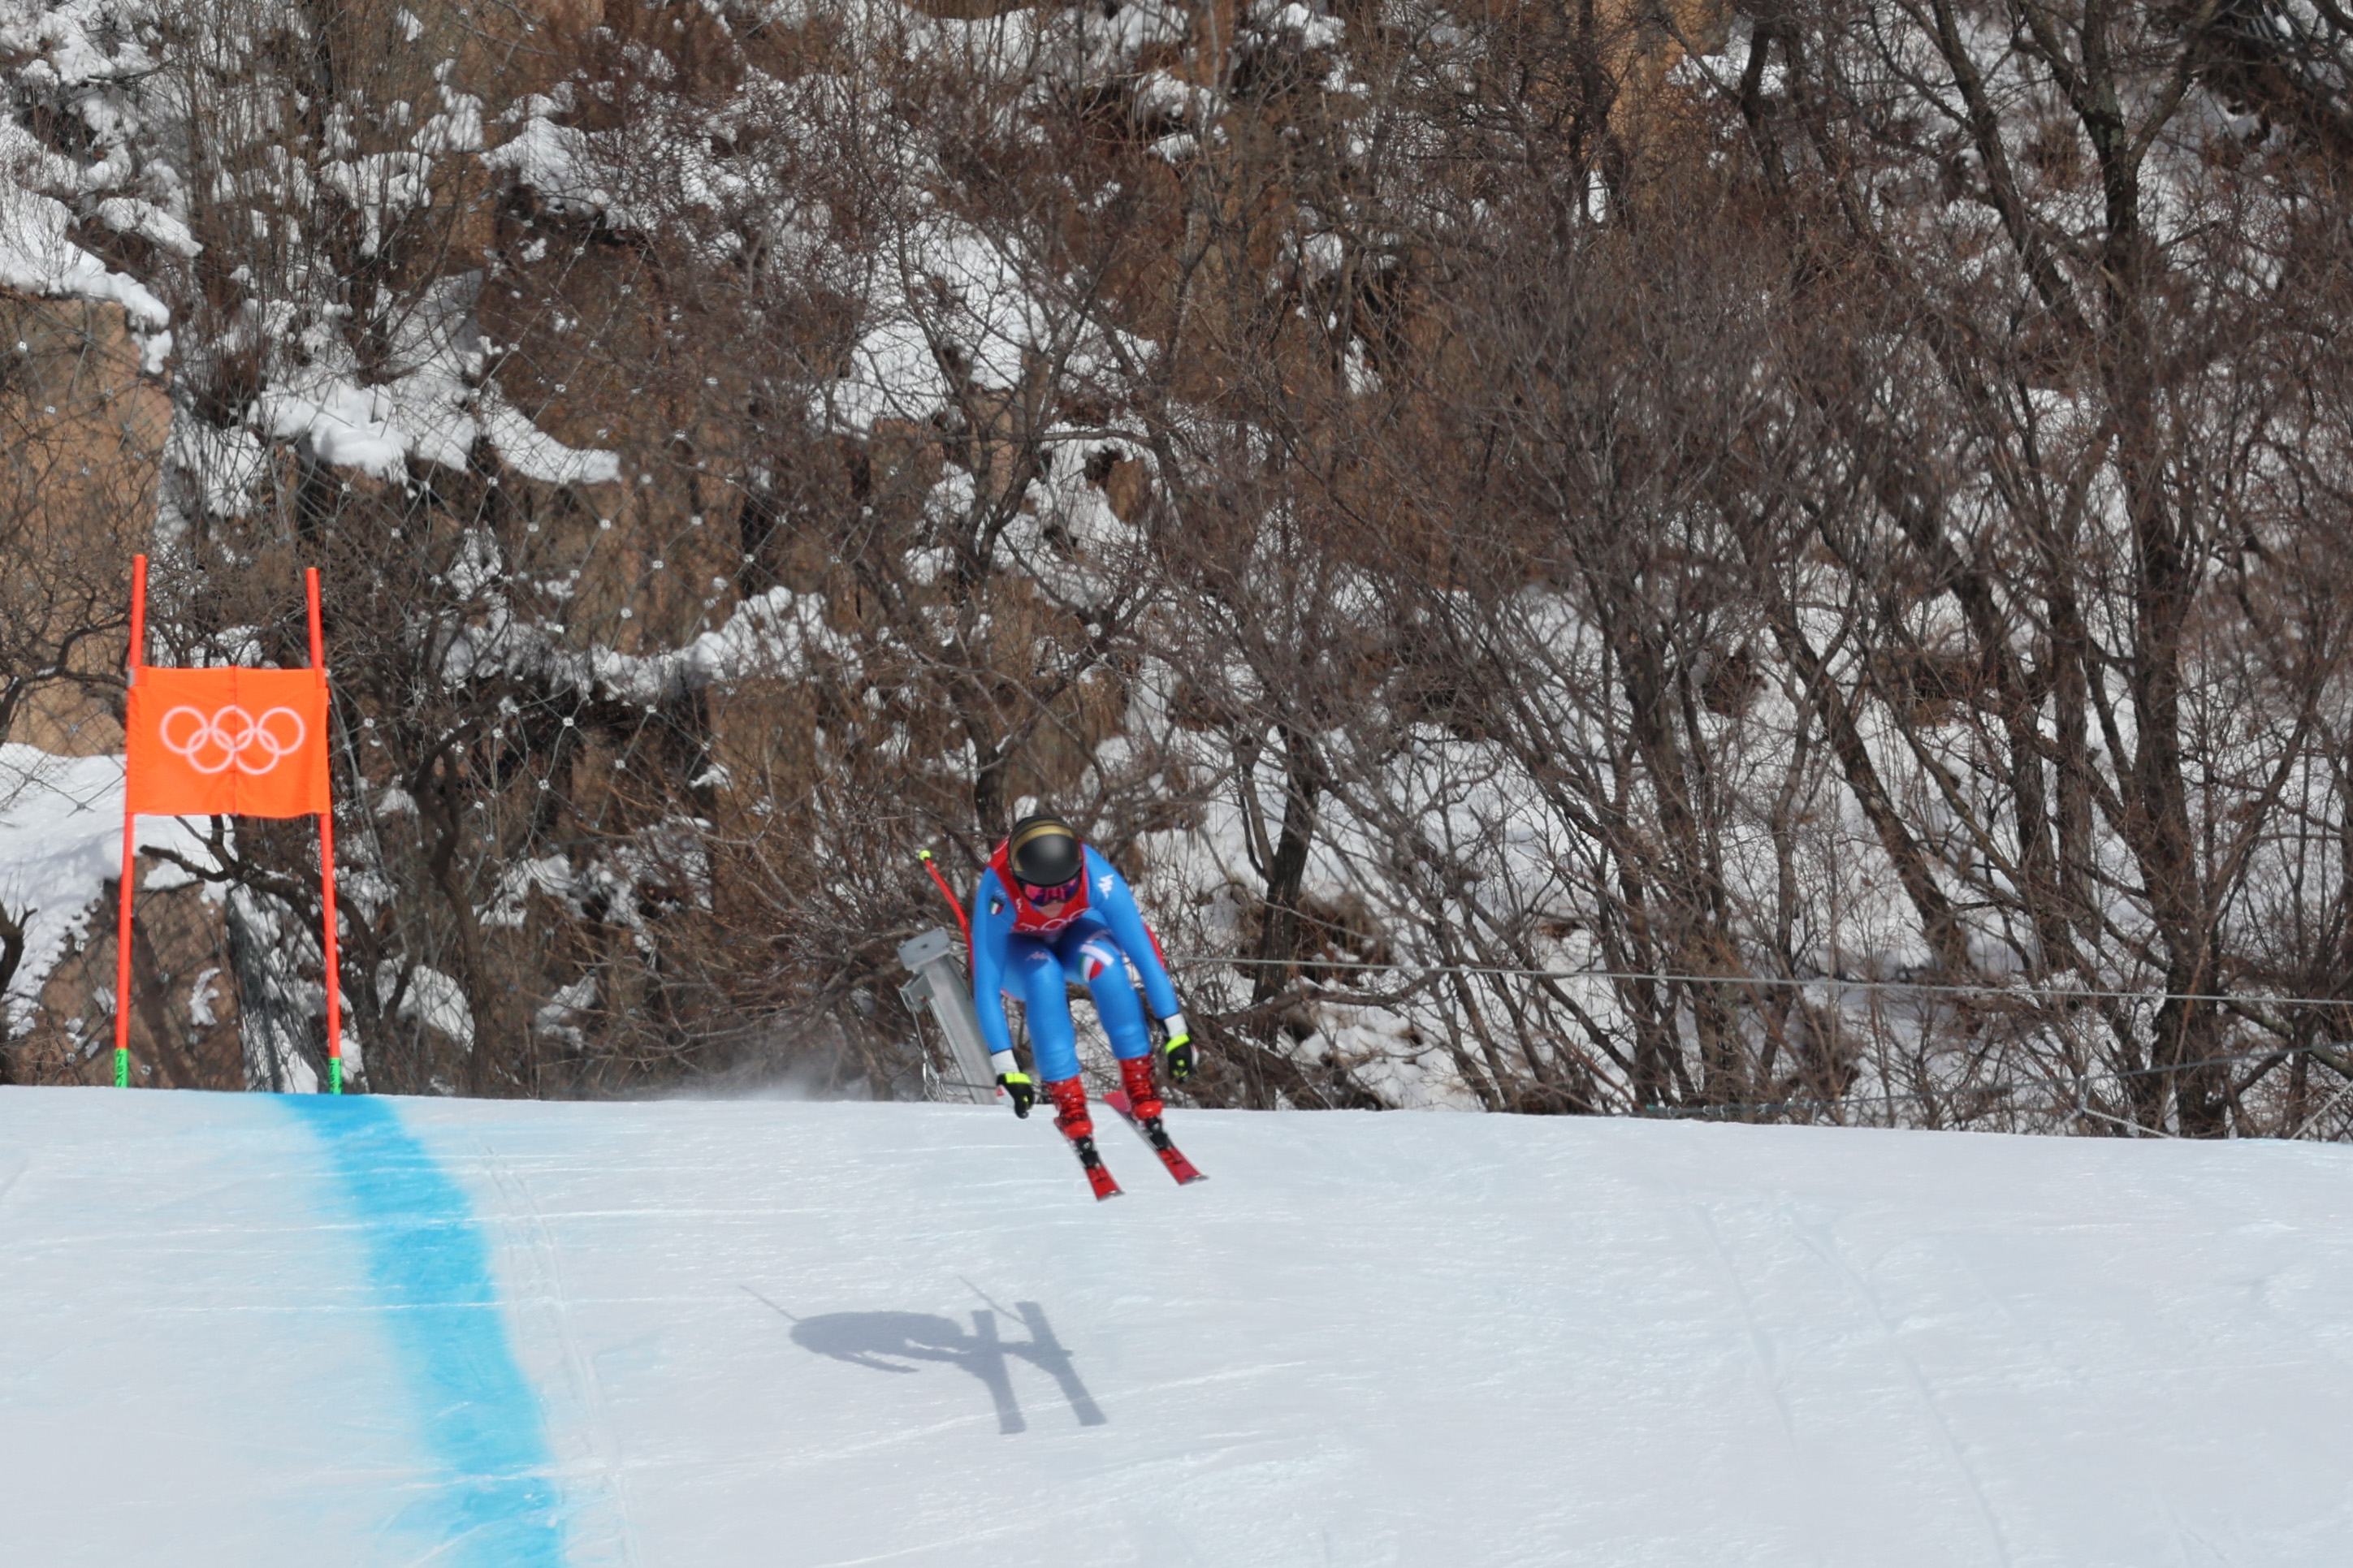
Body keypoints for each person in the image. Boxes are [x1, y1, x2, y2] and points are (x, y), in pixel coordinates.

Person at [969, 812, 1195, 1171]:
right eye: (1040, 894)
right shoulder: (998, 890)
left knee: (1106, 963)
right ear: (1018, 881)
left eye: (1066, 889)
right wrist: (1007, 1068)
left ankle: (1140, 1083)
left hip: (1072, 934)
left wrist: (1176, 1031)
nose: (1054, 900)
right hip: (1019, 955)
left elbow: (1145, 957)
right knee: (1045, 977)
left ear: (1079, 873)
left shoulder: (1097, 875)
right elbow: (985, 986)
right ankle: (1069, 1102)